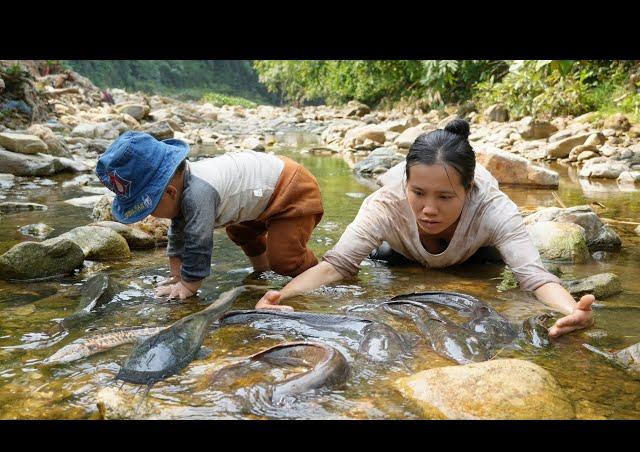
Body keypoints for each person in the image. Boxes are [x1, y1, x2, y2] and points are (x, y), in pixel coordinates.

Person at [256, 119, 594, 339]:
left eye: (445, 196)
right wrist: (281, 296)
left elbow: (534, 277)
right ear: (405, 183)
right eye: (418, 193)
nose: (429, 208)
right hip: (399, 253)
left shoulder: (494, 208)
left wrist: (570, 310)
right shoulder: (385, 203)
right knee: (381, 257)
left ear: (469, 187)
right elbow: (337, 266)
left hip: (475, 254)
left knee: (492, 265)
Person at [96, 131, 324, 300]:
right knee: (239, 230)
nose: (152, 217)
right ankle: (261, 271)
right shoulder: (181, 190)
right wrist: (176, 276)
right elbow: (178, 235)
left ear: (170, 192)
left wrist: (188, 285)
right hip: (261, 198)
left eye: (151, 208)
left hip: (291, 190)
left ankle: (320, 273)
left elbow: (199, 242)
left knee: (284, 260)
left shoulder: (198, 194)